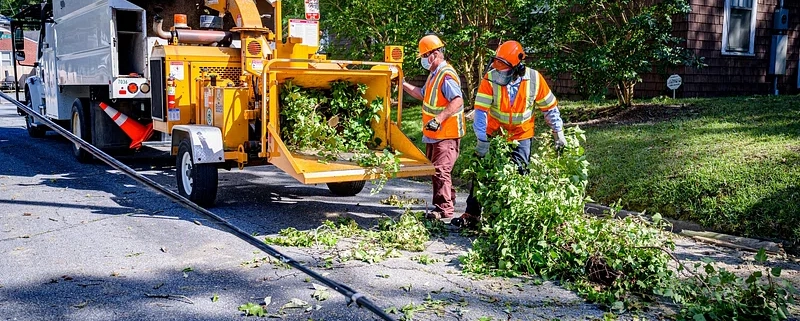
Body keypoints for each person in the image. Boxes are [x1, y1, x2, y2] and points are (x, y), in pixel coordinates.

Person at [452, 40, 567, 228]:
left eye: (503, 70)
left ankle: (512, 218)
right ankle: (472, 214)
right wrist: (482, 139)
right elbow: (480, 112)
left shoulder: (534, 79)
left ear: (517, 67)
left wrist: (558, 133)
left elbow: (550, 109)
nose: (499, 74)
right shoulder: (490, 79)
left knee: (519, 174)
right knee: (481, 172)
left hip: (521, 134)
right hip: (494, 131)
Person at [401, 34, 466, 221]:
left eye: (424, 56)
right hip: (435, 133)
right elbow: (422, 94)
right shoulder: (434, 74)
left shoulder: (445, 75)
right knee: (438, 170)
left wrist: (439, 119)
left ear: (434, 54)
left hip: (446, 133)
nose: (422, 60)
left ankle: (444, 209)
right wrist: (402, 83)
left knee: (440, 170)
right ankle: (448, 201)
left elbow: (458, 100)